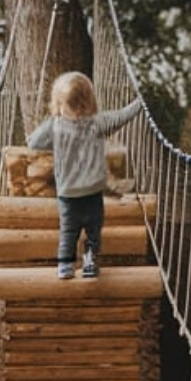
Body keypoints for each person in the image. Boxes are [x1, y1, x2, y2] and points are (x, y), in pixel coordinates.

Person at [27, 72, 142, 279]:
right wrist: (139, 103)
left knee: (68, 232)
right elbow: (121, 117)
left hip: (68, 194)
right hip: (92, 192)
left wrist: (52, 121)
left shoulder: (55, 126)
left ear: (59, 105)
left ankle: (65, 266)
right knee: (93, 231)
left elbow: (33, 142)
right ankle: (89, 262)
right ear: (89, 102)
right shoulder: (97, 123)